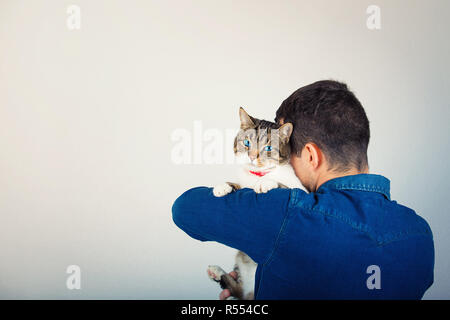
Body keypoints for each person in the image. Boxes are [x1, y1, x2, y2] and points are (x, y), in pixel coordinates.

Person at [171, 80, 434, 299]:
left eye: (289, 154)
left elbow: (185, 209)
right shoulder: (420, 234)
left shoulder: (286, 213)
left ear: (310, 155)